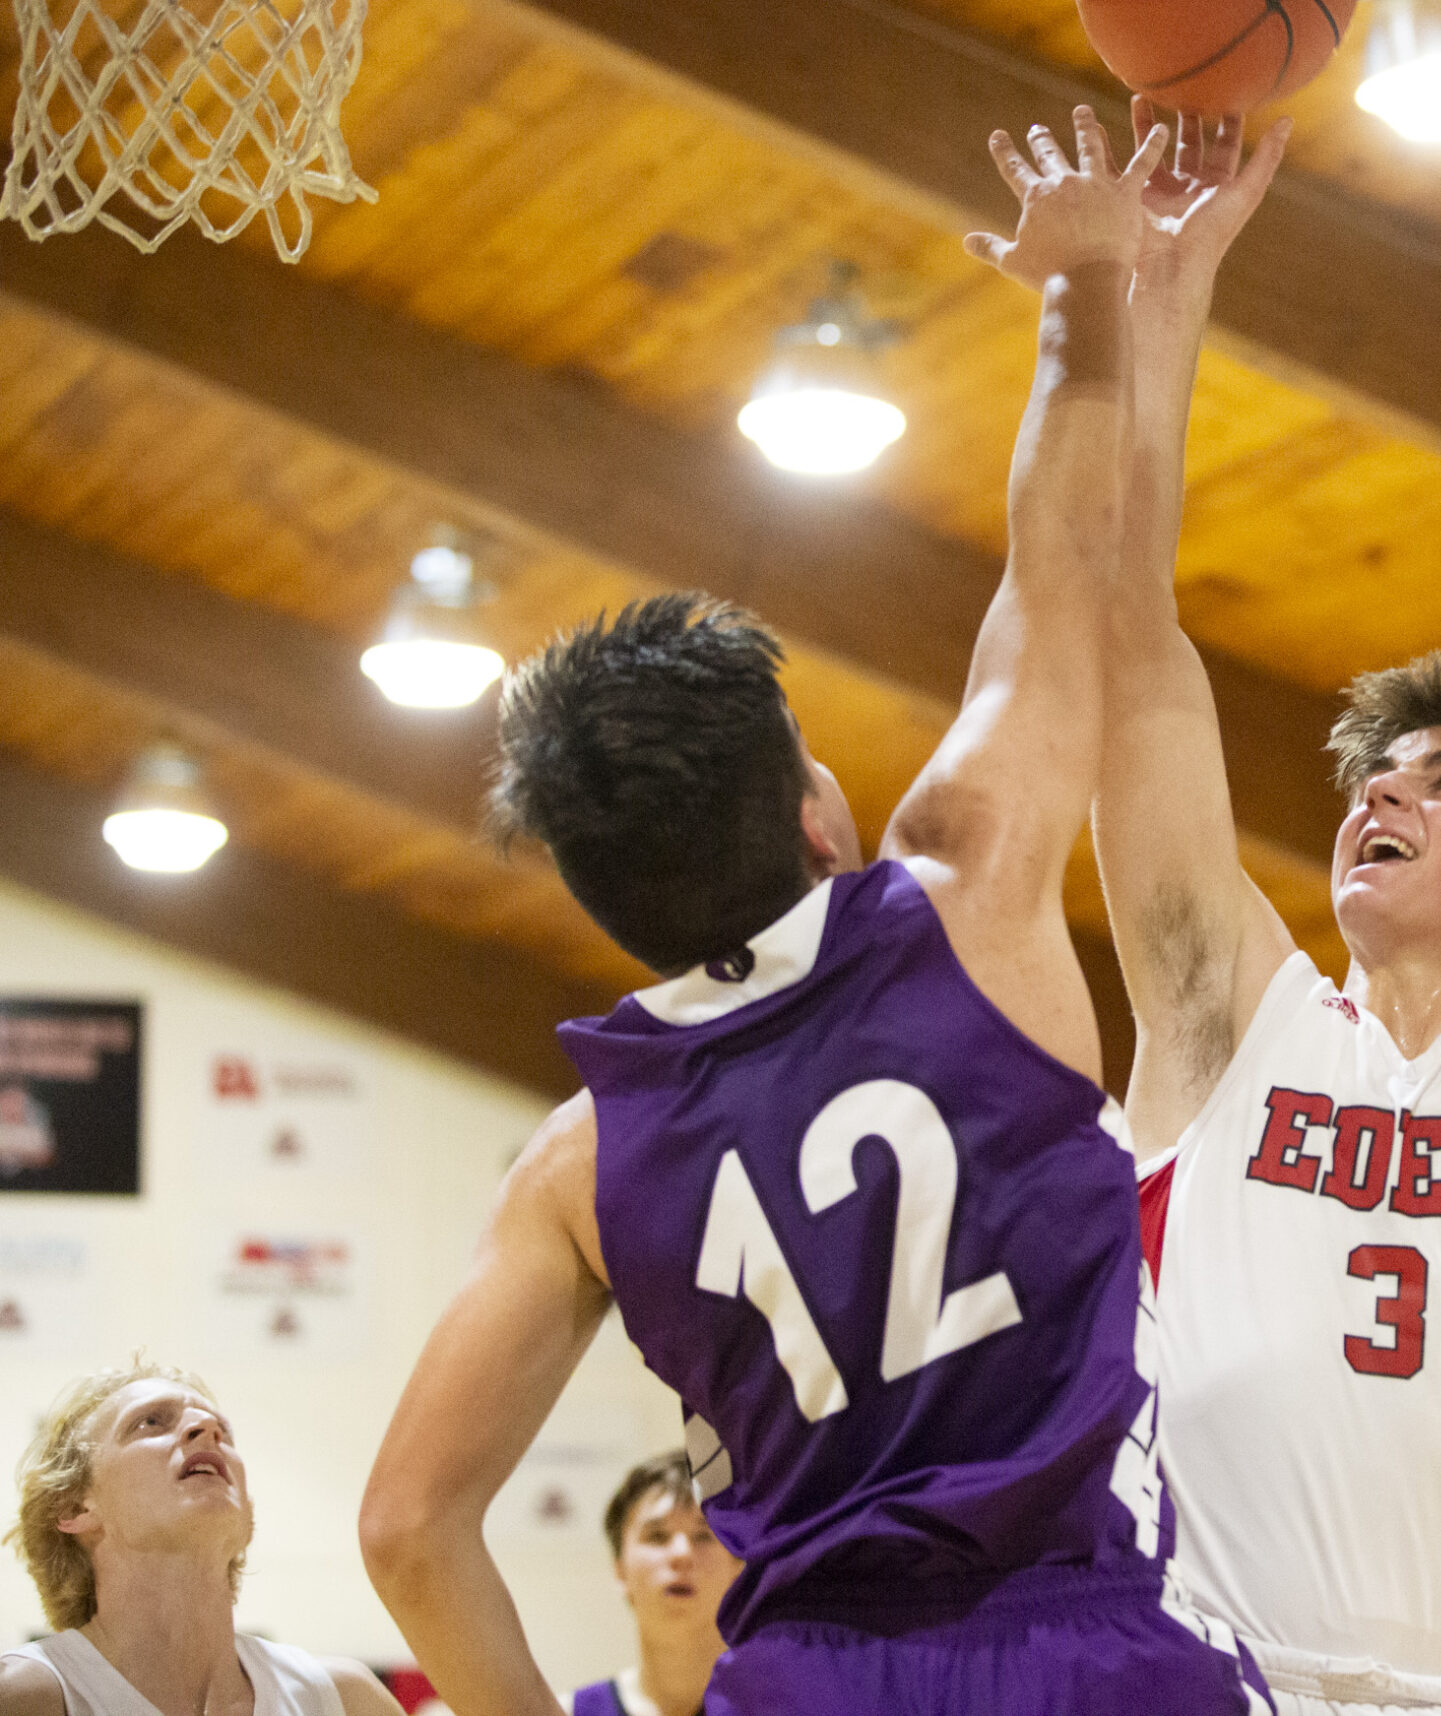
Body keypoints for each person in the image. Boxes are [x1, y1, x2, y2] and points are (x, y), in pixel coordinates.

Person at [359, 107, 1267, 1716]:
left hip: (807, 1683)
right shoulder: (964, 889)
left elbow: (408, 1526)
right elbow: (1064, 555)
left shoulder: (579, 1162)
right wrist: (1084, 289)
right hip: (1094, 1638)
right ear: (816, 814)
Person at [1063, 102, 1441, 1714]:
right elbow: (1132, 638)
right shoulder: (1228, 1012)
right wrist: (1167, 302)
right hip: (1192, 1666)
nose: (1382, 797)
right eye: (1374, 778)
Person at [0, 1359, 405, 1716]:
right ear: (74, 1508)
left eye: (224, 1431)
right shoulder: (26, 1697)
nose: (207, 1428)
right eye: (151, 1421)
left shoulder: (349, 1701)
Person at [567, 1454, 741, 1716]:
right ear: (620, 1570)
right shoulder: (563, 1711)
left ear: (738, 1569)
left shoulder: (794, 1707)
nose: (681, 1553)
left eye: (704, 1535)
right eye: (657, 1536)